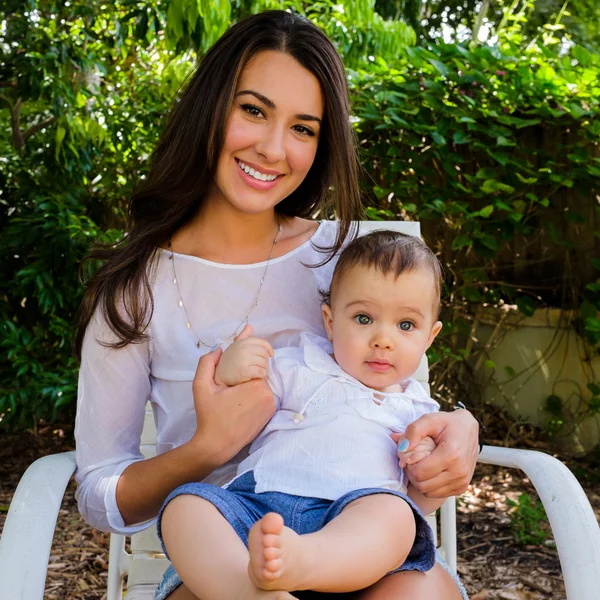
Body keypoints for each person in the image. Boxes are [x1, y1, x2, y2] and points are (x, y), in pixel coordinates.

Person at [74, 10, 478, 600]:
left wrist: (465, 429)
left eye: (304, 128)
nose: (271, 148)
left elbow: (397, 392)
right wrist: (204, 450)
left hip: (366, 546)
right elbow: (97, 493)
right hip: (228, 555)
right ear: (211, 107)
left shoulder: (339, 260)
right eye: (253, 110)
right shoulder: (134, 291)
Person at [156, 230, 455, 600]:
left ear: (430, 337)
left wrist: (425, 474)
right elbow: (236, 401)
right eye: (363, 318)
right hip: (257, 508)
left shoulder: (419, 412)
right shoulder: (300, 364)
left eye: (405, 325)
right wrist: (233, 367)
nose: (383, 339)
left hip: (351, 536)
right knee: (185, 507)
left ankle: (304, 561)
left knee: (396, 515)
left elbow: (423, 500)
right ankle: (251, 594)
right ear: (330, 322)